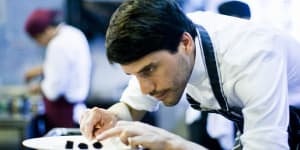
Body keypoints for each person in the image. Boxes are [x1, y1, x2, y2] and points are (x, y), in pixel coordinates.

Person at [79, 0, 300, 149]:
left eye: (148, 70)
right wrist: (113, 116)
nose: (145, 88)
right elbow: (130, 107)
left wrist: (172, 144)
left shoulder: (254, 58)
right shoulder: (165, 40)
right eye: (134, 75)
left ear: (185, 43)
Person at [24, 9, 92, 136]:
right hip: (76, 111)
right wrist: (41, 69)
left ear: (46, 31)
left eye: (38, 39)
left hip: (63, 113)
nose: (40, 44)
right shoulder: (74, 33)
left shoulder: (56, 45)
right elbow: (64, 67)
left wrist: (39, 87)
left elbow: (55, 90)